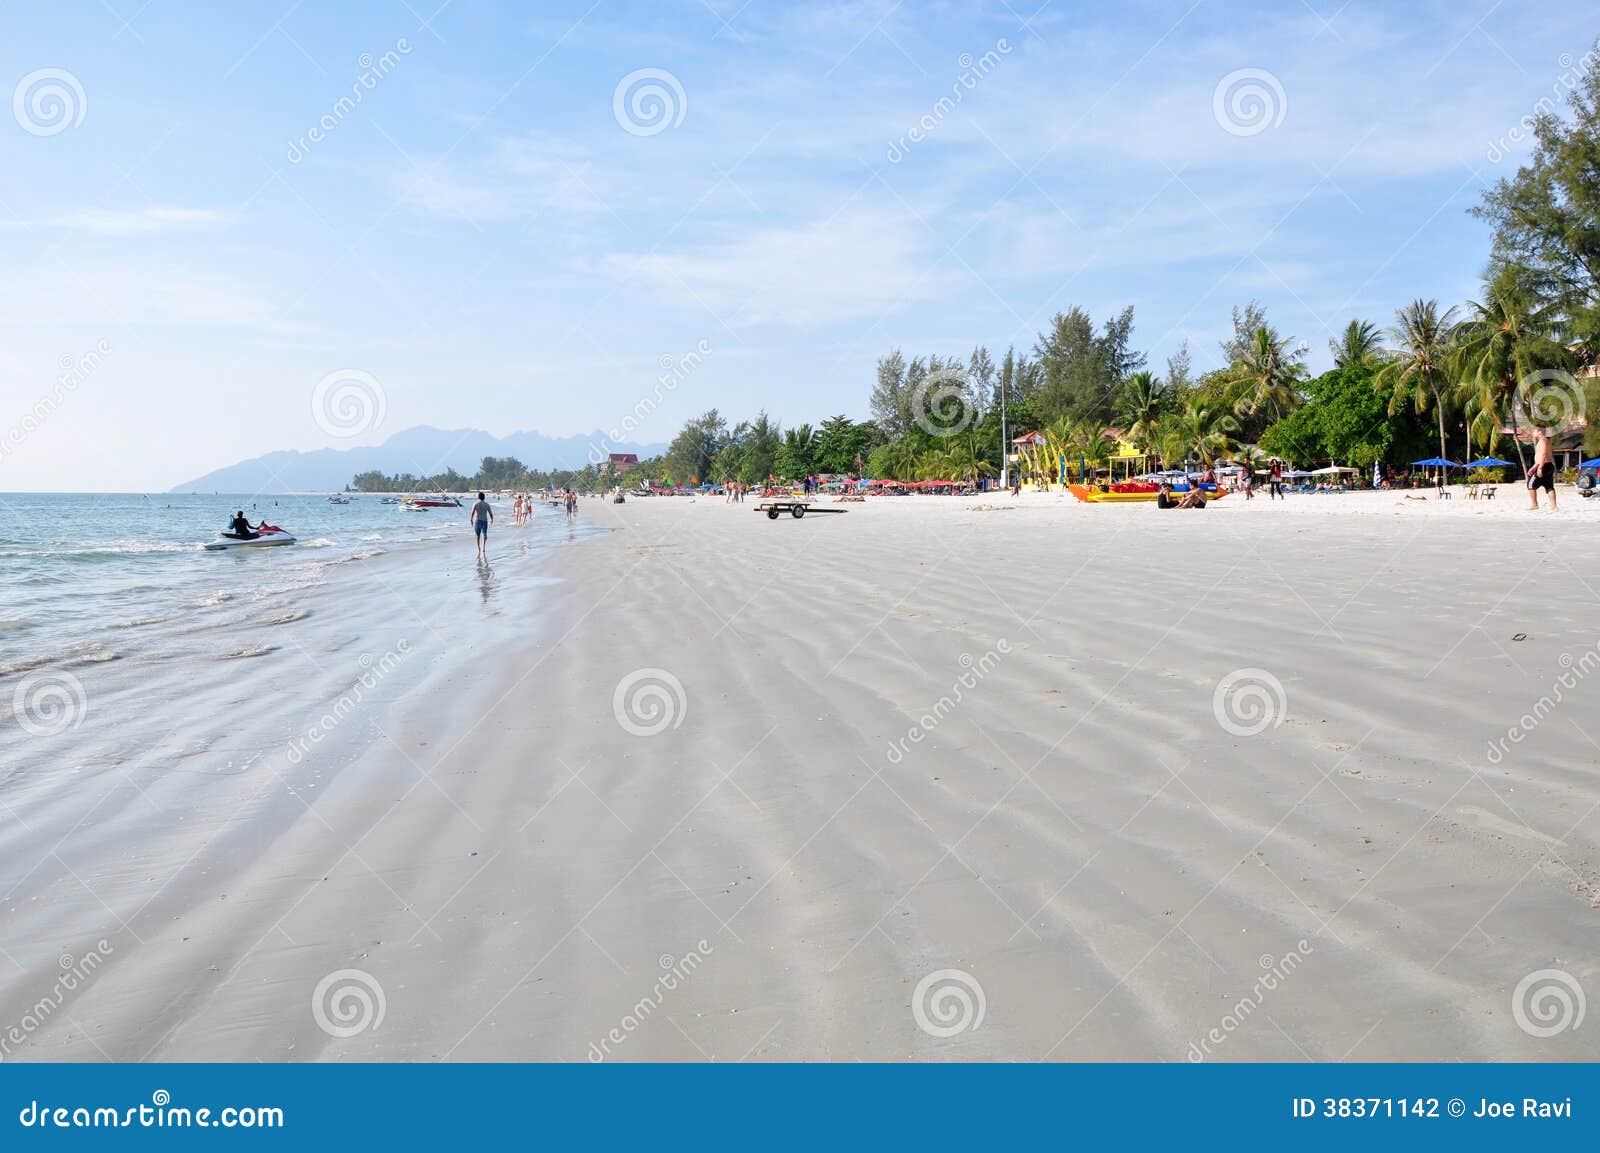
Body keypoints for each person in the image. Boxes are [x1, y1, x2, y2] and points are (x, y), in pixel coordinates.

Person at [1528, 430, 1557, 510]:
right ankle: (1554, 506)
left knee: (1531, 485)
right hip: (1546, 465)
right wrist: (1534, 467)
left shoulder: (1543, 441)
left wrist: (1540, 468)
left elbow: (1544, 455)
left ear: (1539, 432)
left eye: (1534, 431)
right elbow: (1540, 455)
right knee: (1549, 486)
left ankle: (1534, 504)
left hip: (1543, 465)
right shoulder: (1546, 440)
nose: (1533, 433)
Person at [470, 491, 493, 557]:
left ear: (478, 497)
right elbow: (490, 513)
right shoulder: (487, 504)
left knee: (478, 535)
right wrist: (492, 519)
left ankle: (479, 548)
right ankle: (483, 547)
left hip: (478, 520)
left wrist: (471, 519)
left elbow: (472, 512)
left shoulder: (475, 504)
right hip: (485, 521)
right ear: (484, 497)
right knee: (484, 534)